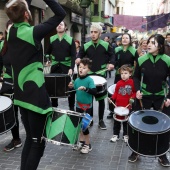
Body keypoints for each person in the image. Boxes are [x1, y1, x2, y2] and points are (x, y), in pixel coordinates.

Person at [5, 0, 66, 169]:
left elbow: (22, 8)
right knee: (37, 144)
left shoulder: (12, 32)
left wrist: (24, 4)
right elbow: (61, 14)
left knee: (30, 140)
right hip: (35, 96)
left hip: (21, 96)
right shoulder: (33, 32)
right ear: (26, 14)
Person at [128, 34, 170, 167]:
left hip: (161, 96)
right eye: (148, 42)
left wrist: (169, 97)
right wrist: (138, 90)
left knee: (164, 126)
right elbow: (135, 77)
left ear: (161, 46)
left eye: (153, 42)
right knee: (137, 124)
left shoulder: (168, 60)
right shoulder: (141, 59)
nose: (149, 44)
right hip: (143, 96)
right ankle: (135, 151)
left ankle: (162, 154)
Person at [76, 23, 115, 130]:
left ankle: (101, 120)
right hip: (89, 76)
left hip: (101, 75)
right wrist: (78, 58)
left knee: (101, 98)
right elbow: (80, 54)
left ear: (100, 33)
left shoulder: (106, 45)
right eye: (91, 32)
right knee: (89, 98)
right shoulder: (86, 45)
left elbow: (112, 55)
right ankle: (90, 119)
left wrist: (111, 63)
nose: (93, 34)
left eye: (95, 32)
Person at [0, 20, 22, 152]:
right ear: (7, 30)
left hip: (22, 82)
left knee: (23, 113)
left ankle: (28, 137)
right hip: (7, 82)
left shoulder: (23, 43)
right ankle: (16, 138)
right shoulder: (2, 44)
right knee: (10, 112)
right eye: (10, 28)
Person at [45, 21, 76, 111]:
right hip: (55, 66)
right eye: (57, 24)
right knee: (53, 87)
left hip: (66, 67)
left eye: (61, 24)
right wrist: (48, 60)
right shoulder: (51, 39)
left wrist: (71, 68)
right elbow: (47, 53)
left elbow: (74, 55)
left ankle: (71, 107)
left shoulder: (70, 39)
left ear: (65, 27)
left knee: (70, 88)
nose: (59, 25)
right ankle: (54, 107)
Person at [107, 33, 139, 119]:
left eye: (127, 38)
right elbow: (113, 59)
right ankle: (112, 111)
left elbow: (137, 63)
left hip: (129, 75)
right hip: (119, 74)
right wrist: (112, 64)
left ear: (130, 40)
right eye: (123, 38)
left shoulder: (134, 50)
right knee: (116, 91)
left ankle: (129, 109)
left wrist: (133, 73)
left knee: (128, 92)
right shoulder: (117, 49)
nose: (124, 39)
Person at [69, 58, 97, 153]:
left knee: (85, 127)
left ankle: (88, 145)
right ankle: (81, 142)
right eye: (80, 67)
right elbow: (72, 93)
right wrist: (70, 86)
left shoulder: (90, 80)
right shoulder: (76, 80)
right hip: (78, 106)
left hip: (87, 107)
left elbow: (94, 91)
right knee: (79, 126)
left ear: (88, 70)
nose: (81, 69)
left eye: (84, 68)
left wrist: (85, 88)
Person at [109, 65, 136, 143]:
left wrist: (132, 98)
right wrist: (112, 98)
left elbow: (134, 92)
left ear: (130, 74)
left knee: (126, 122)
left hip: (127, 106)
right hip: (118, 106)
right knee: (116, 122)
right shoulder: (118, 83)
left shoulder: (132, 82)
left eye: (125, 73)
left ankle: (125, 135)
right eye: (122, 73)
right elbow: (116, 93)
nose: (123, 75)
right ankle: (115, 135)